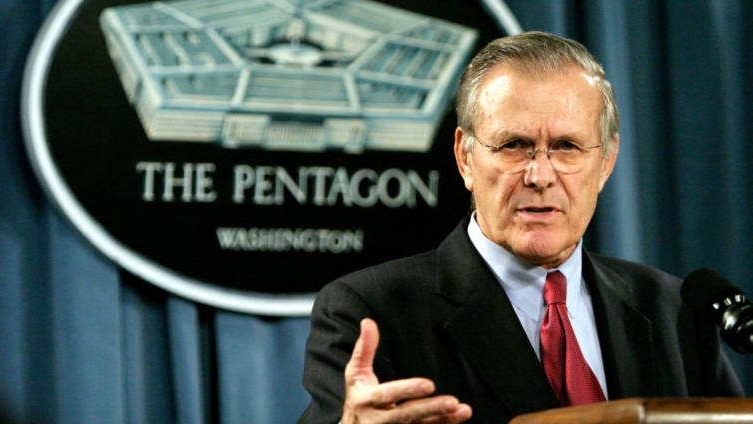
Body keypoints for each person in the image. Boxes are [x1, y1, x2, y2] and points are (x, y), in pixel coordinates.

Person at [298, 32, 744, 424]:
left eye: (566, 146)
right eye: (514, 145)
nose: (540, 175)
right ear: (465, 157)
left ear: (606, 161)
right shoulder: (371, 312)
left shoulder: (675, 311)